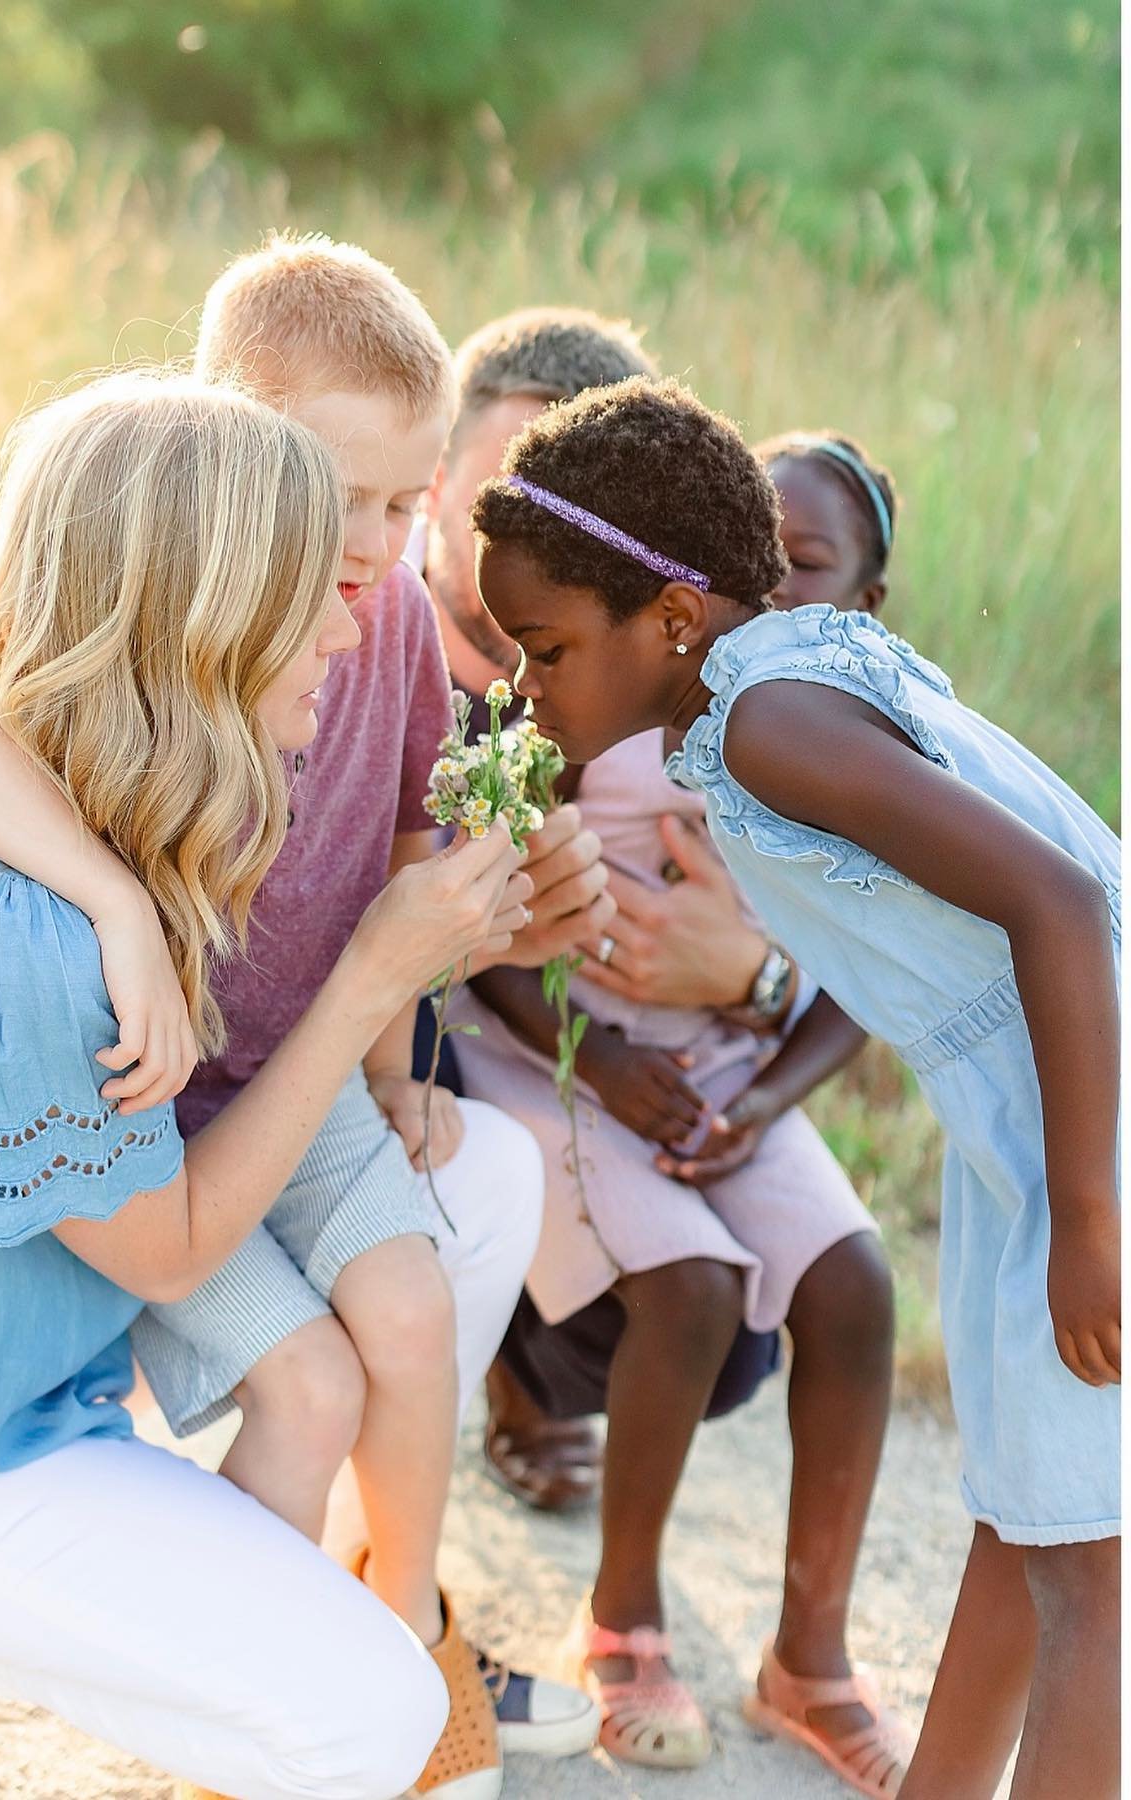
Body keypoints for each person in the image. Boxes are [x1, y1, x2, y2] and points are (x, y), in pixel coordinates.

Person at [0, 372, 538, 1800]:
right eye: (312, 595)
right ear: (196, 625)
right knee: (366, 1718)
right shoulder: (7, 931)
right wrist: (367, 986)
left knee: (475, 1207)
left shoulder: (93, 815)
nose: (352, 628)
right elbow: (170, 1247)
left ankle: (194, 1670)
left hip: (26, 1414)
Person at [0, 238, 602, 1794]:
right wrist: (122, 902)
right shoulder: (153, 603)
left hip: (309, 1066)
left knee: (408, 1318)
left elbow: (409, 837)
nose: (381, 545)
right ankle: (253, 1708)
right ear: (220, 447)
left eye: (412, 506)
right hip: (149, 1101)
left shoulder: (397, 618)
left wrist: (409, 1051)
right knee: (312, 1381)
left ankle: (399, 1653)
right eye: (344, 499)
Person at [471, 374, 1121, 1800]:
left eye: (542, 648)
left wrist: (1086, 1213)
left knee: (1087, 1576)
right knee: (1029, 1518)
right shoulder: (771, 686)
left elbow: (1064, 906)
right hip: (1029, 1102)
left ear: (672, 618)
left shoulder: (772, 725)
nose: (523, 687)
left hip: (1089, 1101)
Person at [448, 424, 904, 1793]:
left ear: (870, 604)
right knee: (695, 1286)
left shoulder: (853, 752)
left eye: (807, 568)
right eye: (758, 563)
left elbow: (871, 973)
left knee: (860, 1286)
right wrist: (597, 1053)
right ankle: (624, 1621)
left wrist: (761, 1099)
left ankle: (809, 1660)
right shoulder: (617, 713)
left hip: (724, 1079)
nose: (776, 593)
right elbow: (492, 932)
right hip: (571, 1061)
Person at [414, 309, 796, 1511]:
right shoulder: (360, 651)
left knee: (724, 1340)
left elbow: (819, 902)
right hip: (422, 1054)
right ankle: (441, 1407)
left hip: (630, 1050)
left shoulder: (669, 695)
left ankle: (539, 1370)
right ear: (435, 483)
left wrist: (755, 976)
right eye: (495, 492)